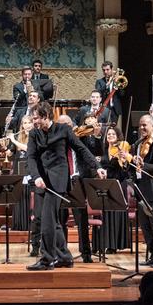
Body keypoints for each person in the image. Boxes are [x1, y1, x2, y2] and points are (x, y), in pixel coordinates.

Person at [26, 101, 106, 270]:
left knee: (48, 219)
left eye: (36, 119)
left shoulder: (64, 130)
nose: (34, 122)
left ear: (46, 116)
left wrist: (97, 167)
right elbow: (31, 158)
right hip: (41, 181)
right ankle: (65, 257)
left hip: (58, 180)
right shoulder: (34, 134)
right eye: (33, 119)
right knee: (49, 220)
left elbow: (81, 149)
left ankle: (47, 259)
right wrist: (36, 176)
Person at [119, 114, 153, 267]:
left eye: (145, 125)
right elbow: (132, 169)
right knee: (146, 228)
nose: (142, 128)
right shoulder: (138, 144)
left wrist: (135, 160)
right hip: (140, 190)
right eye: (140, 125)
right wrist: (125, 161)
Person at [58, 114, 98, 263]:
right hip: (62, 183)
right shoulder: (56, 141)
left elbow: (92, 149)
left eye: (68, 125)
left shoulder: (81, 138)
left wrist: (95, 134)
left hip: (78, 181)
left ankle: (86, 254)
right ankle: (62, 253)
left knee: (81, 220)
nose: (66, 128)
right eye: (62, 125)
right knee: (60, 220)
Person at [96, 126, 130, 254]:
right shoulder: (104, 149)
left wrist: (123, 160)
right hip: (106, 184)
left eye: (113, 134)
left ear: (118, 136)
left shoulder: (122, 148)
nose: (110, 136)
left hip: (119, 184)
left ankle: (115, 244)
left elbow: (125, 170)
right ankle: (106, 242)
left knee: (116, 214)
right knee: (107, 214)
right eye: (108, 134)